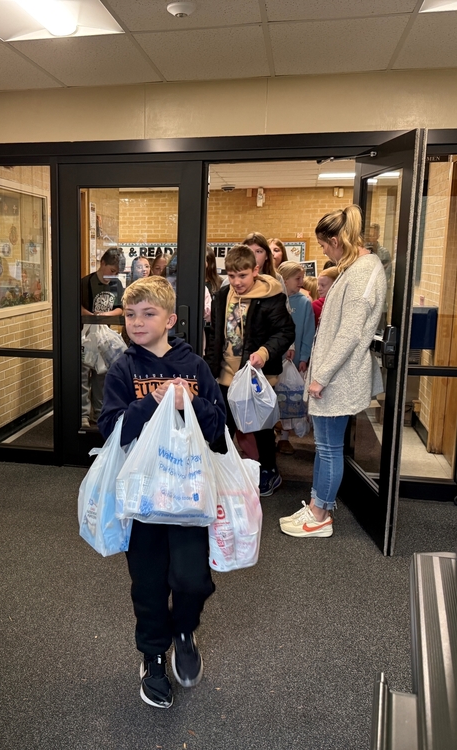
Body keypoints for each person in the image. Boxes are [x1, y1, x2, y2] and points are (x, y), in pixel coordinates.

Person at [97, 276, 226, 711]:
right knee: (148, 583)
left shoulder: (196, 367)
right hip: (143, 498)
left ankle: (185, 630)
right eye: (130, 315)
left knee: (192, 579)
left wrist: (188, 402)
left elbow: (218, 431)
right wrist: (151, 402)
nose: (137, 322)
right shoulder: (123, 368)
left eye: (148, 314)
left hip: (189, 496)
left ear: (170, 319)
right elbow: (112, 430)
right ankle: (153, 655)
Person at [279, 206, 385, 539]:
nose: (323, 251)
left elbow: (351, 332)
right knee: (327, 446)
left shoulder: (365, 272)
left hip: (337, 378)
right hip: (332, 375)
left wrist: (321, 377)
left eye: (324, 245)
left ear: (337, 240)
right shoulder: (354, 269)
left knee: (328, 448)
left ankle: (320, 515)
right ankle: (316, 506)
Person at [207, 245, 294, 496]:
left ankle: (269, 470)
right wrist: (210, 368)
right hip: (226, 375)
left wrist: (265, 353)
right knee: (223, 426)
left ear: (255, 270)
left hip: (258, 376)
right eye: (231, 276)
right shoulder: (222, 296)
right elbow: (215, 335)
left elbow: (285, 332)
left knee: (261, 429)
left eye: (242, 276)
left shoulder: (271, 296)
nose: (236, 282)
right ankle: (221, 470)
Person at [81, 248, 124, 428]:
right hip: (85, 335)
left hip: (104, 335)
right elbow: (79, 307)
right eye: (111, 271)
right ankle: (83, 414)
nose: (112, 275)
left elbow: (119, 308)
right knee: (83, 375)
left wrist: (104, 316)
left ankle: (99, 414)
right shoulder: (86, 283)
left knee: (102, 374)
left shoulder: (116, 284)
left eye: (116, 273)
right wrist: (93, 316)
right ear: (102, 264)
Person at [275, 261, 315, 455]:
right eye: (297, 278)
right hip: (274, 356)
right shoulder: (275, 298)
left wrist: (304, 357)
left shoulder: (304, 302)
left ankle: (284, 437)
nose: (301, 282)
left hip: (295, 355)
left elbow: (308, 332)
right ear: (284, 279)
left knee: (290, 395)